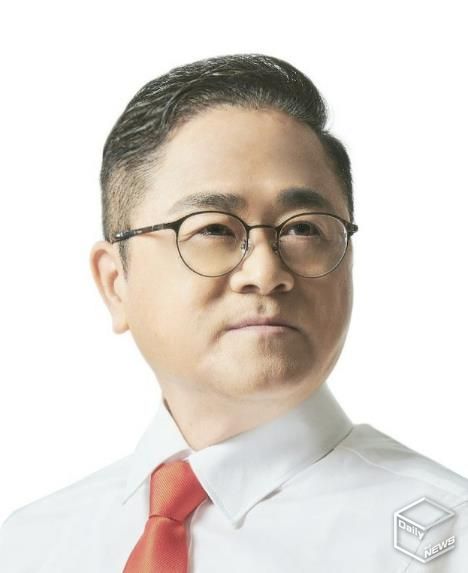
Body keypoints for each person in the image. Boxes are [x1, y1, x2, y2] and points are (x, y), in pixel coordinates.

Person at [0, 53, 466, 572]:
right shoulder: (30, 546)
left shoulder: (447, 541)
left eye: (303, 228)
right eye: (214, 229)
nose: (265, 272)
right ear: (115, 283)